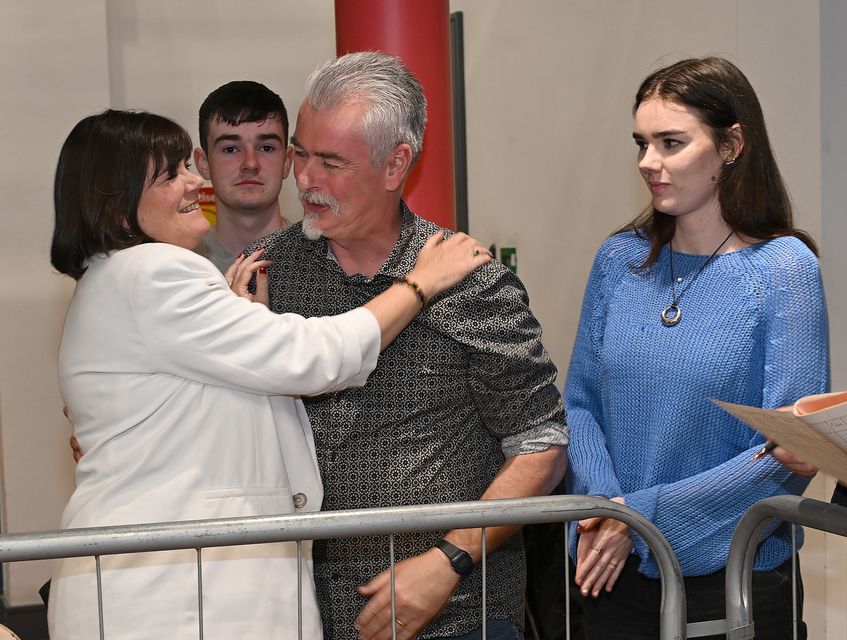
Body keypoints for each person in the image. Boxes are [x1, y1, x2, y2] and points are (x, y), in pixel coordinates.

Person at [47, 108, 491, 639]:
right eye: (172, 175)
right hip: (176, 595)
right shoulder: (155, 271)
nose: (197, 182)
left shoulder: (113, 281)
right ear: (116, 206)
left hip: (164, 584)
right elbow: (312, 357)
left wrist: (243, 319)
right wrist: (417, 285)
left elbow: (206, 394)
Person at [250, 51, 569, 640]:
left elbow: (541, 444)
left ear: (396, 164)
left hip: (460, 615)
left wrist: (450, 561)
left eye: (330, 162)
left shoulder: (469, 279)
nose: (304, 179)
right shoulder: (273, 276)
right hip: (306, 616)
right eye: (300, 152)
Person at [564, 57, 829, 639]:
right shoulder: (619, 261)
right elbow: (580, 404)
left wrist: (640, 518)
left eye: (671, 143)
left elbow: (784, 451)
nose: (647, 163)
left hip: (733, 577)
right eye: (641, 143)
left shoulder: (784, 271)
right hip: (613, 568)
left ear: (731, 145)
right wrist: (608, 510)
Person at [193, 80, 291, 272]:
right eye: (230, 149)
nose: (250, 163)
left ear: (287, 162)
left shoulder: (328, 262)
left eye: (266, 148)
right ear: (204, 163)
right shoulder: (180, 269)